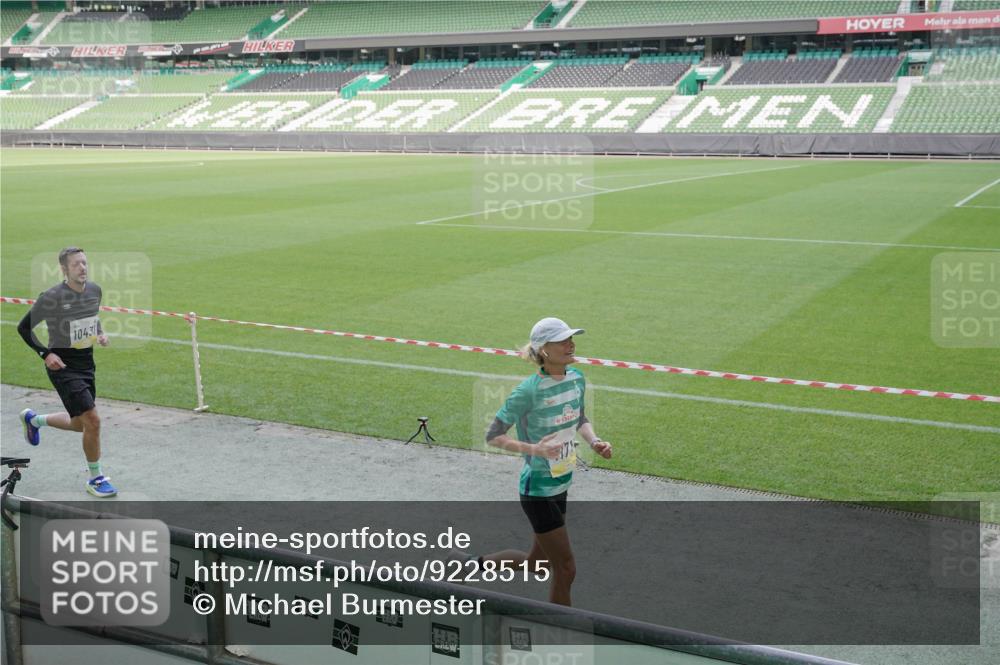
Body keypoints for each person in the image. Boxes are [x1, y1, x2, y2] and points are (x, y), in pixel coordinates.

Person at [454, 317, 612, 606]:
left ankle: (471, 565)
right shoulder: (528, 391)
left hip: (561, 483)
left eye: (571, 338)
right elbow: (494, 435)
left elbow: (578, 417)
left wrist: (595, 441)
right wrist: (535, 450)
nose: (571, 343)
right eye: (563, 340)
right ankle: (555, 634)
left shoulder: (576, 378)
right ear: (544, 350)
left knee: (535, 564)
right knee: (565, 569)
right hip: (538, 490)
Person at [16, 247, 116, 498]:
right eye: (76, 264)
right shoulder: (51, 296)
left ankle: (34, 420)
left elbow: (91, 316)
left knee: (80, 425)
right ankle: (96, 478)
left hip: (86, 364)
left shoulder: (94, 290)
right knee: (92, 420)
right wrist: (45, 354)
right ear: (64, 269)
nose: (83, 268)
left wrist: (100, 333)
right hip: (63, 366)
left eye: (84, 263)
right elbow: (24, 328)